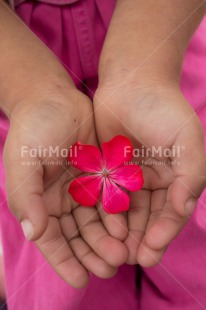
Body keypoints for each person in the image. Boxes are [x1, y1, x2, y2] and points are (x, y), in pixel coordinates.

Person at [0, 0, 206, 309]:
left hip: (157, 40)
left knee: (192, 250)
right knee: (60, 281)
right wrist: (31, 93)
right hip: (17, 72)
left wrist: (144, 70)